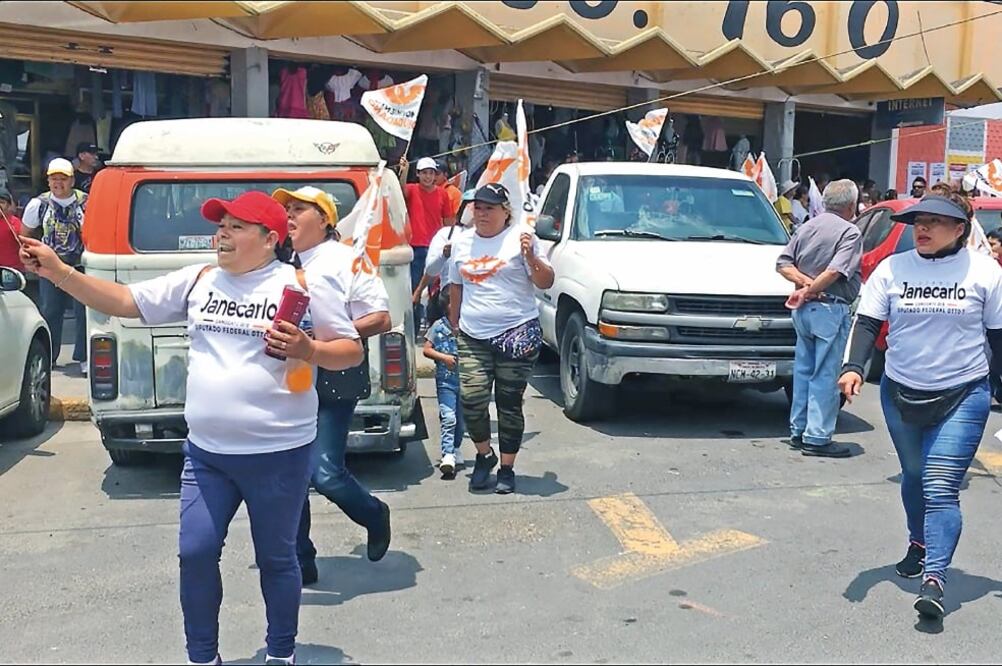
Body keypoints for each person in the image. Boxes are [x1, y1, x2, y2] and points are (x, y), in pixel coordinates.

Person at [18, 190, 364, 665]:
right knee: (196, 553)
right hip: (207, 455)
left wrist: (310, 350)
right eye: (220, 225)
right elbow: (123, 300)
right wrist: (59, 272)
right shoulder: (200, 279)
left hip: (279, 454)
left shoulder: (301, 284)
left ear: (268, 239)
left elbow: (351, 349)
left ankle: (281, 654)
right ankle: (202, 657)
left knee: (277, 560)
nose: (222, 233)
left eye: (236, 226)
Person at [838, 193, 1002, 620]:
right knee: (913, 475)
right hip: (901, 392)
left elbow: (1000, 338)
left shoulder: (985, 272)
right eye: (918, 222)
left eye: (934, 221)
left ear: (960, 229)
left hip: (963, 392)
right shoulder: (894, 268)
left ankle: (935, 578)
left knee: (940, 483)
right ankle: (919, 540)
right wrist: (855, 367)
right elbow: (868, 322)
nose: (922, 229)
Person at [271, 186, 394, 587]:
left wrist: (327, 336)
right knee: (290, 473)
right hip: (290, 376)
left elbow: (380, 318)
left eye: (299, 210)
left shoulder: (347, 259)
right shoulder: (280, 262)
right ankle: (300, 558)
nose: (289, 217)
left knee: (324, 472)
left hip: (336, 373)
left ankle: (374, 514)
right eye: (286, 210)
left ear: (323, 219)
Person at [448, 183, 555, 494]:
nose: (481, 213)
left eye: (489, 208)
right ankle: (485, 455)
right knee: (471, 399)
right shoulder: (462, 242)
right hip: (473, 335)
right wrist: (454, 324)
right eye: (477, 207)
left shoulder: (521, 238)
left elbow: (546, 280)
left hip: (517, 334)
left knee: (509, 404)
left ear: (505, 211)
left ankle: (507, 468)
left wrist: (530, 257)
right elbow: (456, 285)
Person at [776, 179, 863, 459]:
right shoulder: (850, 232)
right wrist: (810, 290)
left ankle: (799, 430)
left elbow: (783, 264)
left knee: (803, 372)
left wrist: (803, 288)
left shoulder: (807, 226)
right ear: (851, 205)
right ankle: (817, 437)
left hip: (804, 312)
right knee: (825, 374)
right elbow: (836, 271)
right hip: (828, 307)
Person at [21, 158, 88, 373]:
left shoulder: (86, 202)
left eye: (63, 178)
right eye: (54, 179)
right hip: (50, 266)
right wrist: (31, 257)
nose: (58, 183)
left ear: (72, 180)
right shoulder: (38, 204)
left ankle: (84, 357)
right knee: (50, 310)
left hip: (80, 265)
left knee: (83, 310)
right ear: (48, 181)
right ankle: (49, 356)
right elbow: (26, 234)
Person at [399, 156, 455, 330]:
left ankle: (436, 329)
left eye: (431, 173)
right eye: (424, 173)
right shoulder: (412, 190)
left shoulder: (443, 194)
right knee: (414, 290)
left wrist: (451, 241)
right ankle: (414, 328)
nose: (428, 177)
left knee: (438, 291)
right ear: (418, 174)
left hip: (436, 248)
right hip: (415, 247)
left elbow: (448, 221)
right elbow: (399, 191)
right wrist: (404, 170)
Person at [414, 188, 474, 327]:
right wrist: (444, 255)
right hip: (449, 300)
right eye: (472, 206)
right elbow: (431, 270)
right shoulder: (446, 234)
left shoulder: (493, 239)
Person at [423, 287, 465, 479]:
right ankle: (447, 455)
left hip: (465, 381)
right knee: (449, 417)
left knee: (461, 422)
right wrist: (444, 357)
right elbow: (427, 349)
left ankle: (455, 449)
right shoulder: (438, 326)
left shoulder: (467, 325)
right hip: (446, 382)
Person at [0, 188, 24, 271]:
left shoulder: (14, 223)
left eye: (2, 202)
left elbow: (24, 244)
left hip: (11, 269)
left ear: (8, 205)